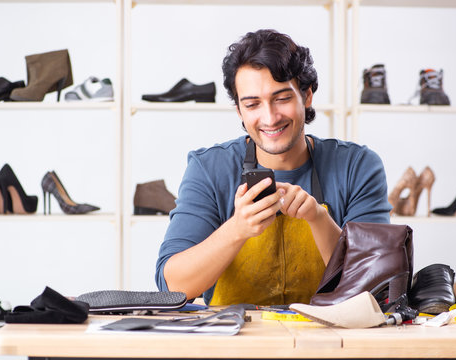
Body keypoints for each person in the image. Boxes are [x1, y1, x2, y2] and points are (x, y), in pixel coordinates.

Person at [155, 29, 391, 306]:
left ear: (307, 96)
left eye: (282, 99)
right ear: (240, 111)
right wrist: (238, 229)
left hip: (329, 345)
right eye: (252, 104)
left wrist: (318, 219)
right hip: (234, 343)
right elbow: (174, 286)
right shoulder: (209, 169)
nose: (269, 117)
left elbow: (377, 287)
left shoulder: (357, 166)